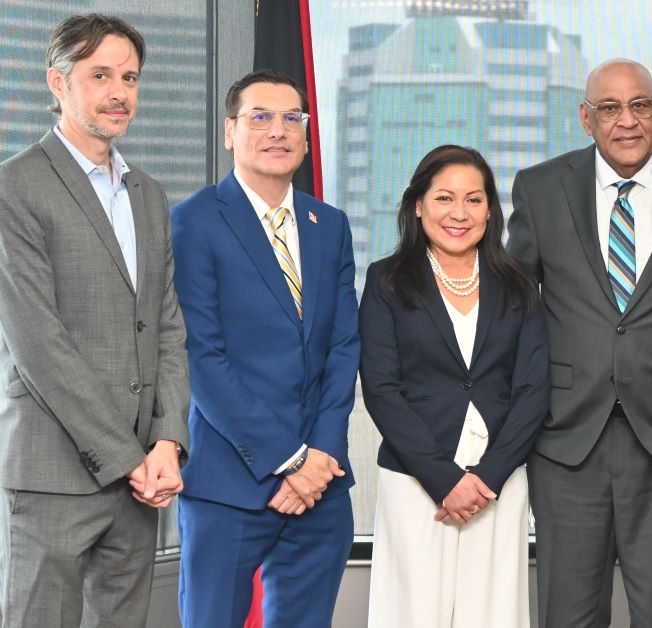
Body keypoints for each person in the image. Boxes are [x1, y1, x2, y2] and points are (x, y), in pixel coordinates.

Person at [507, 58, 652, 628]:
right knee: (569, 614)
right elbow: (513, 312)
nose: (625, 121)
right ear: (586, 119)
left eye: (639, 106)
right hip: (565, 440)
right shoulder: (540, 189)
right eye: (609, 108)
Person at [0, 14, 189, 627]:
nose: (119, 93)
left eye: (129, 77)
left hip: (140, 479)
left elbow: (165, 328)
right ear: (57, 83)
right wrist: (128, 457)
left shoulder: (150, 196)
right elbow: (38, 346)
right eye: (100, 75)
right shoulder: (15, 187)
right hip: (54, 475)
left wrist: (166, 441)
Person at [171, 69, 359, 628]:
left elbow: (343, 347)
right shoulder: (193, 221)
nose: (277, 130)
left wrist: (320, 457)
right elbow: (202, 358)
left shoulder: (330, 225)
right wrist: (288, 460)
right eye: (260, 117)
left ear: (305, 133)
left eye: (291, 118)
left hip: (321, 487)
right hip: (229, 483)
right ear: (230, 131)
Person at [359, 145, 548, 627]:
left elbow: (534, 388)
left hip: (497, 481)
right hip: (415, 480)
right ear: (418, 204)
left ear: (490, 210)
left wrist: (487, 478)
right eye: (444, 198)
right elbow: (381, 388)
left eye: (474, 199)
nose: (459, 214)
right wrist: (445, 481)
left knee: (493, 613)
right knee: (413, 613)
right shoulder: (386, 280)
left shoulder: (518, 283)